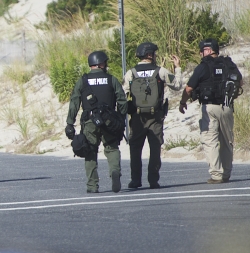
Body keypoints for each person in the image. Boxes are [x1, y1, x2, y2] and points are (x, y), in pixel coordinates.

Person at [178, 39, 243, 184]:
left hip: (209, 108)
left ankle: (216, 174)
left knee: (210, 140)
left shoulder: (203, 66)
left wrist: (183, 102)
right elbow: (240, 82)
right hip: (227, 106)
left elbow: (189, 89)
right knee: (227, 141)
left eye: (202, 51)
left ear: (207, 51)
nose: (201, 54)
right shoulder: (228, 63)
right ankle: (226, 174)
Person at [65, 51, 128, 193]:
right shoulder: (111, 79)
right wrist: (119, 118)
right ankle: (114, 172)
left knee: (90, 152)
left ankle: (92, 186)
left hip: (89, 122)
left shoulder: (83, 80)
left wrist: (70, 123)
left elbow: (74, 102)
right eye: (105, 63)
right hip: (109, 122)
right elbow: (122, 101)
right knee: (112, 148)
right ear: (100, 64)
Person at [123, 42, 183, 190]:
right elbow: (177, 85)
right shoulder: (160, 71)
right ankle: (153, 180)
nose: (155, 56)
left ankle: (135, 180)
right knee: (155, 148)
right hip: (155, 117)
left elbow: (124, 95)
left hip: (137, 118)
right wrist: (178, 67)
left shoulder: (131, 73)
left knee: (135, 150)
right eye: (154, 54)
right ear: (149, 55)